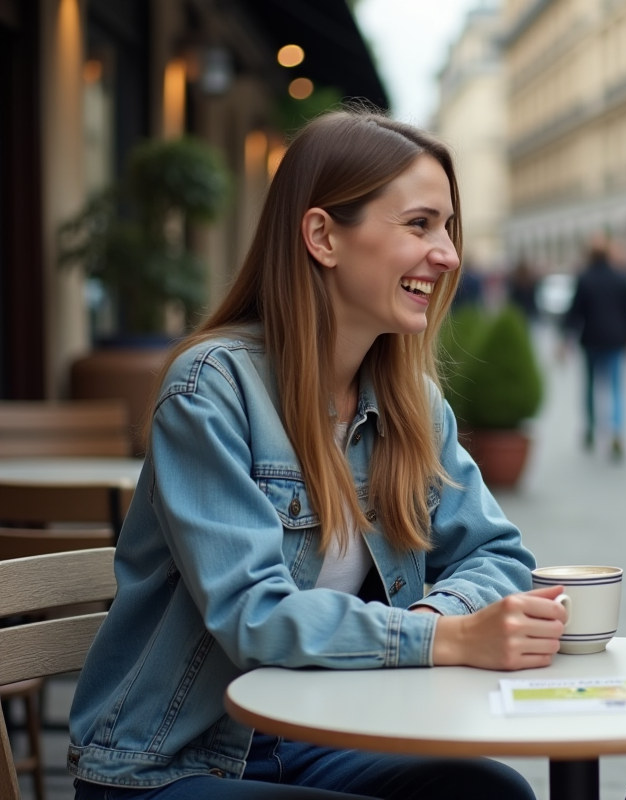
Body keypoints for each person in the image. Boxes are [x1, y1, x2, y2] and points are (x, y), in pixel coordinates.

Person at [68, 110, 569, 800]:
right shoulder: (213, 388)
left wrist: (433, 617)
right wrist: (448, 640)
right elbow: (254, 614)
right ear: (323, 236)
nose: (449, 254)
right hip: (170, 763)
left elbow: (499, 556)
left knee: (488, 790)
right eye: (420, 224)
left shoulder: (411, 402)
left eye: (449, 228)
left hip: (318, 737)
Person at [563, 235, 626, 460]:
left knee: (590, 388)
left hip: (591, 340)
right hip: (616, 340)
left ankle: (590, 428)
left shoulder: (585, 278)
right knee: (616, 388)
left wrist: (566, 339)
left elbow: (575, 312)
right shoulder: (621, 278)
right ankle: (616, 431)